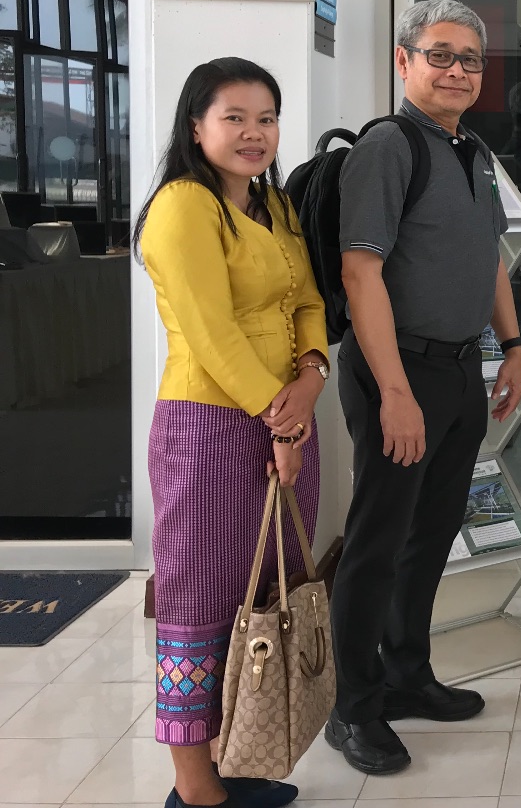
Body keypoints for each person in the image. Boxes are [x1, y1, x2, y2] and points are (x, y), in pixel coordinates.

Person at [324, 0, 521, 776]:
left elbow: (491, 257)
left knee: (432, 534)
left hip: (458, 370)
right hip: (397, 375)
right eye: (439, 54)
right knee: (376, 546)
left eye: (470, 59)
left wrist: (510, 346)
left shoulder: (471, 150)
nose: (456, 70)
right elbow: (359, 270)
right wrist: (395, 392)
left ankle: (408, 674)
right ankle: (354, 708)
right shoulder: (390, 145)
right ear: (404, 61)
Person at [135, 57, 329, 808]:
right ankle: (196, 790)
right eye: (235, 118)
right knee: (199, 603)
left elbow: (309, 300)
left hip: (287, 423)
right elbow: (209, 334)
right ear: (196, 126)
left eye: (267, 119)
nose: (255, 134)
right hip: (208, 428)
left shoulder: (274, 208)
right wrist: (281, 414)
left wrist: (311, 376)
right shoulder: (185, 206)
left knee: (266, 598)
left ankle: (239, 758)